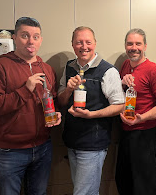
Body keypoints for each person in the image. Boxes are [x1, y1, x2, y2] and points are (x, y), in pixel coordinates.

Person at [0, 17, 62, 195]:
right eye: (25, 36)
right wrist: (25, 90)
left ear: (40, 40)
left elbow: (51, 100)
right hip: (10, 151)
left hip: (43, 147)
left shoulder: (47, 69)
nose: (31, 41)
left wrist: (56, 114)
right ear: (15, 37)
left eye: (36, 36)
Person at [57, 26, 125, 195]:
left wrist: (91, 115)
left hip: (93, 143)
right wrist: (68, 90)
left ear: (95, 43)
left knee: (83, 193)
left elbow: (120, 106)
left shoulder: (108, 71)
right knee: (82, 191)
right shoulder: (69, 67)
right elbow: (61, 101)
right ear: (72, 45)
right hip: (72, 141)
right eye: (79, 42)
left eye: (88, 42)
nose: (84, 46)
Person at [115, 28, 156, 195]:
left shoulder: (154, 70)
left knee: (144, 186)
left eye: (138, 43)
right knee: (124, 181)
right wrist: (122, 83)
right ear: (125, 46)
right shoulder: (125, 65)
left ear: (145, 46)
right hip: (126, 133)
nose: (134, 47)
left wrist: (142, 118)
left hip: (145, 135)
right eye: (130, 43)